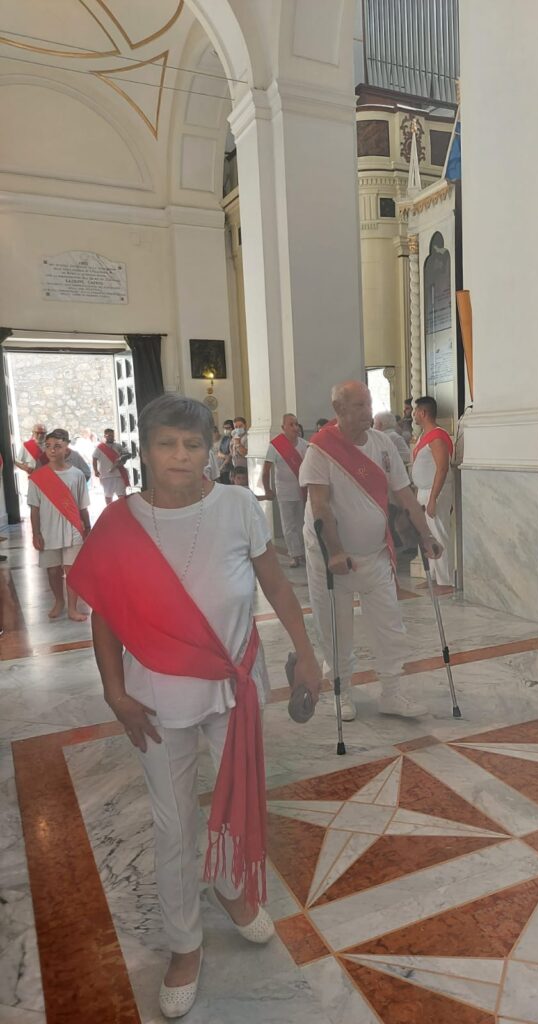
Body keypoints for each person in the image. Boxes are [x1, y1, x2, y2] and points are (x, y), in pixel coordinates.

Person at [67, 395, 322, 1018]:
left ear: (209, 449)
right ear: (146, 449)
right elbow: (105, 615)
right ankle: (184, 945)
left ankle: (232, 887)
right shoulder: (120, 524)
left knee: (239, 796)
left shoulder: (237, 506)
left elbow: (275, 582)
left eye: (193, 444)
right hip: (157, 695)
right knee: (173, 821)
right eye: (167, 444)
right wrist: (115, 693)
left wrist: (307, 652)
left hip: (235, 684)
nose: (181, 456)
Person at [300, 380, 443, 722]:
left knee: (389, 624)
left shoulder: (382, 444)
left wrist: (426, 536)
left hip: (376, 554)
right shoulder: (320, 450)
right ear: (339, 410)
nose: (369, 411)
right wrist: (335, 552)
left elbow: (405, 495)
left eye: (369, 403)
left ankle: (392, 692)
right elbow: (320, 506)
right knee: (336, 628)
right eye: (360, 405)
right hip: (331, 559)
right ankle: (342, 693)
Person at [27, 429, 90, 621]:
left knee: (72, 571)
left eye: (57, 446)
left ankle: (72, 608)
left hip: (73, 529)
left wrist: (88, 528)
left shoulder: (77, 475)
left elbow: (82, 506)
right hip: (48, 530)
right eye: (48, 446)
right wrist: (36, 533)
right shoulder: (38, 477)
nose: (52, 450)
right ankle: (59, 601)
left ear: (66, 448)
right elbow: (34, 508)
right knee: (53, 570)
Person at [411, 396, 454, 588]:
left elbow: (442, 468)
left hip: (434, 492)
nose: (413, 414)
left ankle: (446, 582)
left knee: (439, 534)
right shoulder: (423, 436)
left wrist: (433, 498)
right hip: (423, 491)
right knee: (427, 536)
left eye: (415, 411)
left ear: (423, 413)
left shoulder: (437, 436)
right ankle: (434, 579)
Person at [261, 414, 308, 568]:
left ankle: (305, 553)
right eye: (291, 424)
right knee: (289, 525)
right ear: (283, 427)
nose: (295, 427)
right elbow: (266, 470)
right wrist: (267, 489)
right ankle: (294, 554)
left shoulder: (305, 445)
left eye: (296, 424)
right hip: (284, 492)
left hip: (302, 491)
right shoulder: (275, 446)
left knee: (303, 523)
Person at [92, 428, 130, 503]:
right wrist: (95, 470)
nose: (111, 437)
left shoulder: (118, 446)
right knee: (108, 496)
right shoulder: (100, 448)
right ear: (105, 436)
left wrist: (124, 457)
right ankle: (110, 509)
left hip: (119, 475)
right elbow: (94, 459)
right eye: (109, 435)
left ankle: (123, 509)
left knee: (122, 496)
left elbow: (125, 456)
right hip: (106, 476)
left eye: (112, 435)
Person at [217, 419, 234, 484]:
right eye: (224, 428)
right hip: (222, 469)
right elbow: (219, 453)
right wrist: (225, 456)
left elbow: (230, 456)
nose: (226, 430)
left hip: (230, 468)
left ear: (233, 428)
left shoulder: (234, 439)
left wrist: (221, 468)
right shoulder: (225, 438)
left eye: (228, 428)